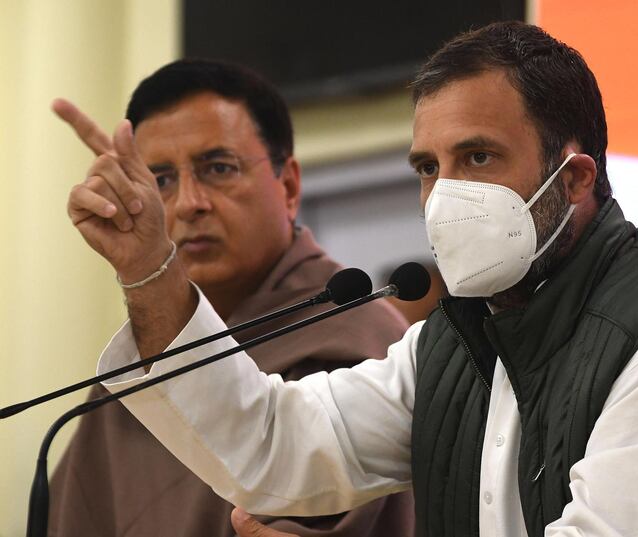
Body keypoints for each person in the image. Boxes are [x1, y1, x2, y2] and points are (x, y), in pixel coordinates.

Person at [65, 22, 638, 537]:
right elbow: (273, 445)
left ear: (572, 179)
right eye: (428, 167)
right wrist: (151, 269)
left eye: (477, 157)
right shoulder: (453, 340)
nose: (444, 197)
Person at [50, 59, 414, 537]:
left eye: (218, 168)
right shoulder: (141, 370)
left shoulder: (359, 337)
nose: (188, 203)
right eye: (160, 180)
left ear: (288, 187)